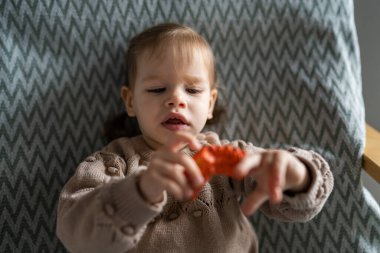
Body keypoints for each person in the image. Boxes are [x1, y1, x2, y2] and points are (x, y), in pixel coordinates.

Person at [56, 23, 334, 253]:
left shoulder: (226, 157)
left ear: (210, 103)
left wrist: (297, 175)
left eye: (192, 90)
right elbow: (76, 235)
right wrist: (141, 190)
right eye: (157, 89)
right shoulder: (113, 163)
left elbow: (294, 204)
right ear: (130, 101)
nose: (176, 99)